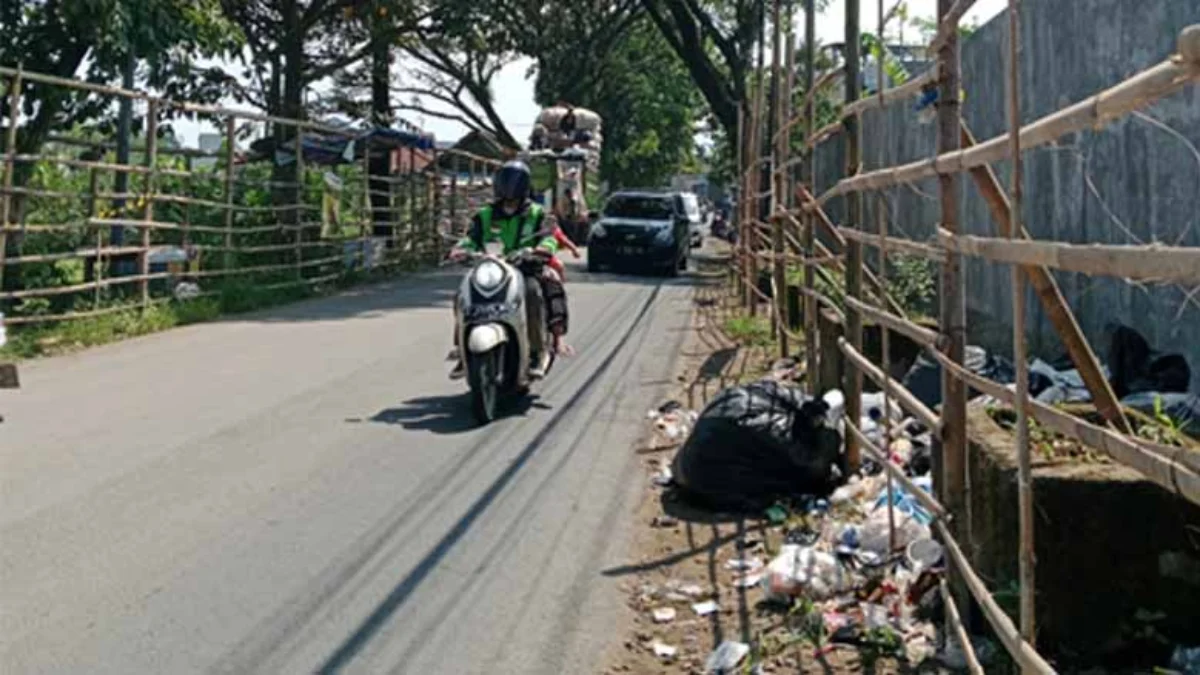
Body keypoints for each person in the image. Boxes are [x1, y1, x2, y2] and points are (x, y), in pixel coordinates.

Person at [447, 160, 569, 380]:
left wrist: (542, 248)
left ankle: (536, 351)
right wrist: (461, 249)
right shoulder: (485, 215)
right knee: (461, 296)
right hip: (491, 269)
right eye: (505, 183)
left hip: (525, 269)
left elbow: (550, 237)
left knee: (532, 293)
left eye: (513, 184)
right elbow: (471, 239)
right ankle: (461, 349)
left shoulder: (537, 213)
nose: (508, 190)